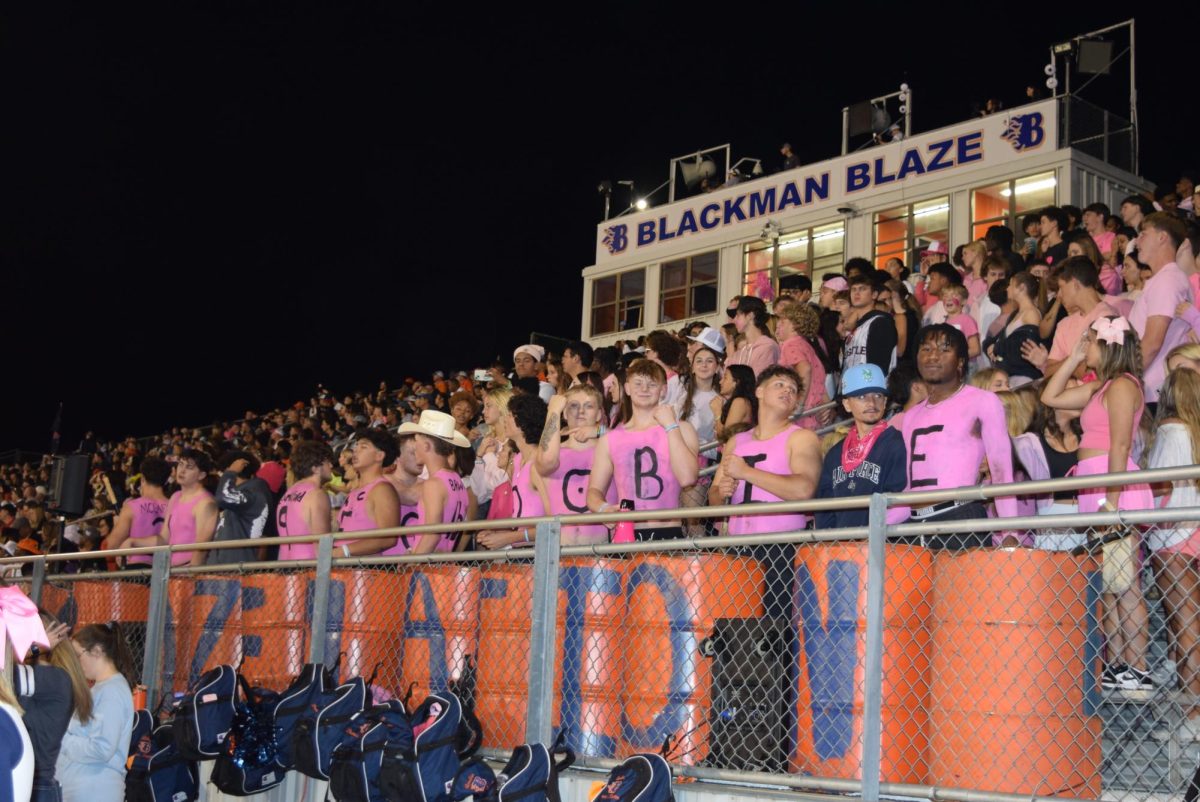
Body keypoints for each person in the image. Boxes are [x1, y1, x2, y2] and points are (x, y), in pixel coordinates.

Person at [1041, 315, 1154, 692]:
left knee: (1126, 583)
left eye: (1088, 341)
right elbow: (1049, 397)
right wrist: (1072, 359)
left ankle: (1136, 666)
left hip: (1112, 489)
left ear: (1105, 345)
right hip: (1098, 489)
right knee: (1109, 582)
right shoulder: (1099, 388)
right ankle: (1118, 663)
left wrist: (1112, 499)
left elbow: (1120, 444)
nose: (1084, 346)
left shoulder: (1123, 385)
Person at [709, 365, 821, 615]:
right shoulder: (738, 440)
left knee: (774, 631)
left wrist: (747, 473)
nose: (787, 391)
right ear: (759, 391)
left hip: (780, 546)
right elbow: (714, 496)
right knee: (736, 629)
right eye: (779, 385)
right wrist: (723, 491)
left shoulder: (802, 438)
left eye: (793, 390)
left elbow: (805, 489)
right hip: (737, 546)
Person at [901, 324, 1016, 548]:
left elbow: (1001, 468)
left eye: (944, 349)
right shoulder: (910, 415)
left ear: (961, 361)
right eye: (925, 349)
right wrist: (875, 526)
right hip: (913, 526)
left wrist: (1010, 530)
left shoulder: (983, 400)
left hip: (959, 517)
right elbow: (908, 483)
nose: (933, 356)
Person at [587, 359, 699, 541]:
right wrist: (603, 508)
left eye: (651, 384)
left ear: (663, 390)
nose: (644, 389)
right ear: (628, 388)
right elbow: (593, 491)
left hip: (667, 533)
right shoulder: (610, 438)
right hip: (627, 533)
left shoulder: (681, 428)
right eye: (638, 383)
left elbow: (688, 478)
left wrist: (670, 425)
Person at [1145, 368, 1200, 740]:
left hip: (1172, 533)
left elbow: (1158, 483)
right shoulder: (1195, 430)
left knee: (1184, 625)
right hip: (1194, 528)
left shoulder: (1169, 429)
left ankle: (1193, 712)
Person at [815, 364, 909, 528]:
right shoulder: (835, 454)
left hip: (883, 544)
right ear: (847, 404)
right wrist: (832, 542)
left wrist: (869, 537)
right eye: (861, 397)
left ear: (886, 401)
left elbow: (898, 500)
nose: (872, 402)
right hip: (841, 548)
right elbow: (824, 508)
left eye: (878, 395)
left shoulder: (897, 443)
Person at [57, 623, 136, 802]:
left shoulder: (112, 692)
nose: (76, 663)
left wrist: (62, 738)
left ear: (97, 651)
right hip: (84, 789)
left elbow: (102, 748)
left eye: (78, 655)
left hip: (94, 791)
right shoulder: (101, 688)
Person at [16, 612, 88, 802]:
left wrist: (32, 649)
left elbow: (5, 675)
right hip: (30, 784)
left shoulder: (53, 678)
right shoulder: (42, 676)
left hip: (37, 787)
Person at [530, 386, 615, 545]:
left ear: (598, 413)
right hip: (561, 552)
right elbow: (546, 462)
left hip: (603, 551)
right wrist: (553, 410)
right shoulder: (552, 455)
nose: (580, 411)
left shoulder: (611, 450)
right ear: (564, 412)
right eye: (573, 405)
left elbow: (631, 439)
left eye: (589, 406)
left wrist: (600, 430)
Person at [1130, 212, 1193, 405]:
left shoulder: (1167, 280)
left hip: (1156, 391)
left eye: (1143, 234)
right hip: (1154, 388)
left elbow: (1152, 343)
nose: (1136, 241)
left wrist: (1125, 377)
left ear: (1162, 237)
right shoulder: (1162, 279)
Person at [1022, 256, 1116, 379]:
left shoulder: (1108, 317)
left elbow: (1095, 370)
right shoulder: (1064, 324)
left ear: (1075, 285)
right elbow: (1049, 371)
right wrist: (1074, 361)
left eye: (1061, 287)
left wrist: (1066, 364)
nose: (1059, 295)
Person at [477, 395, 551, 549]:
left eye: (509, 416)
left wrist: (509, 537)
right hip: (522, 547)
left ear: (522, 422)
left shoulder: (538, 464)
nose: (504, 420)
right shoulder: (517, 461)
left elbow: (553, 524)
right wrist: (496, 533)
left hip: (539, 551)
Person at [396, 410, 471, 553]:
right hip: (443, 564)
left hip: (428, 567)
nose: (415, 447)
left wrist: (413, 562)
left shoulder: (434, 483)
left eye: (416, 442)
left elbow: (432, 535)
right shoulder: (457, 480)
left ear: (426, 446)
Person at [336, 428, 403, 556]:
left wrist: (343, 551)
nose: (356, 451)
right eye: (356, 446)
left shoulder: (382, 489)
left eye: (363, 447)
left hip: (366, 570)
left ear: (379, 456)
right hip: (345, 568)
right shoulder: (355, 490)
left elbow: (388, 538)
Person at [207, 451, 273, 565]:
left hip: (238, 569)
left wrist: (230, 472)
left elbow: (223, 497)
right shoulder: (244, 493)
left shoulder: (254, 493)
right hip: (225, 568)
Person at [104, 456, 170, 568]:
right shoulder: (174, 506)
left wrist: (116, 524)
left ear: (142, 479)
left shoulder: (132, 506)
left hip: (137, 569)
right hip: (167, 568)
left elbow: (111, 547)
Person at [159, 449, 218, 567]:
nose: (182, 470)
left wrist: (191, 576)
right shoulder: (175, 497)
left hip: (188, 572)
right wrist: (133, 542)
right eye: (180, 464)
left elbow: (201, 549)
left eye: (189, 467)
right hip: (169, 571)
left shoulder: (205, 503)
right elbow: (164, 538)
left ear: (201, 475)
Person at [276, 440, 334, 560]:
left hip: (284, 564)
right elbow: (323, 545)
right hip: (308, 567)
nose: (331, 466)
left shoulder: (288, 492)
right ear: (316, 468)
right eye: (327, 462)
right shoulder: (317, 494)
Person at [984, 271, 1044, 387]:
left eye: (1010, 285)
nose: (1007, 289)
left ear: (1021, 288)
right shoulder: (1015, 314)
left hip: (1024, 377)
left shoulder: (1031, 314)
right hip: (1011, 374)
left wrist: (996, 347)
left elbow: (1026, 346)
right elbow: (1000, 338)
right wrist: (990, 346)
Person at [775, 303, 828, 429]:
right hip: (814, 413)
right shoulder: (806, 346)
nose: (777, 325)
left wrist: (799, 404)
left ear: (794, 325)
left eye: (782, 322)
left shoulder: (790, 345)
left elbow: (805, 369)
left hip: (803, 417)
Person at [843, 274, 898, 374]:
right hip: (850, 386)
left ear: (874, 295)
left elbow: (879, 365)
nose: (857, 293)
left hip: (873, 386)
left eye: (862, 289)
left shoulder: (880, 322)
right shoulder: (854, 327)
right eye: (853, 289)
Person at [726, 295, 780, 377]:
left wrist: (730, 356)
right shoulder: (742, 351)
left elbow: (760, 381)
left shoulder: (767, 347)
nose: (734, 320)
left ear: (750, 316)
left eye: (738, 315)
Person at [711, 364, 757, 441]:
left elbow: (726, 436)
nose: (720, 382)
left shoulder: (740, 402)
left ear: (736, 382)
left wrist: (717, 413)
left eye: (725, 378)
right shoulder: (740, 401)